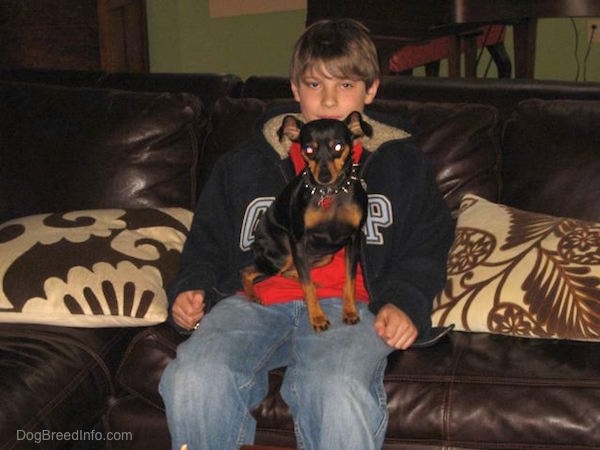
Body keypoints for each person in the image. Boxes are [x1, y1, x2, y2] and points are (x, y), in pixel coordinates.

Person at [159, 18, 454, 450]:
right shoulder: (245, 163)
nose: (330, 100)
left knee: (335, 388)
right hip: (254, 302)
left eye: (347, 85)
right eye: (315, 85)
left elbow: (427, 244)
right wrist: (192, 286)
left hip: (351, 308)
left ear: (370, 90)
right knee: (193, 377)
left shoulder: (400, 165)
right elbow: (206, 238)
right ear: (295, 89)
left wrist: (406, 303)